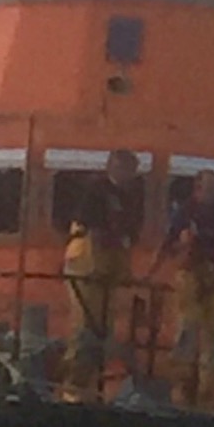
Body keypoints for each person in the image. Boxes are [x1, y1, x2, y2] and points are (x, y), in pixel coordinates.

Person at [160, 169, 214, 408]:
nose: (211, 193)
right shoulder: (184, 213)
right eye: (207, 188)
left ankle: (210, 396)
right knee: (186, 330)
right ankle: (180, 391)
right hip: (190, 275)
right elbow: (169, 246)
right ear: (197, 188)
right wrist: (184, 244)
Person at [62, 148, 136, 398]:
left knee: (102, 332)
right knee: (85, 330)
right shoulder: (96, 191)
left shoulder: (125, 197)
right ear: (115, 167)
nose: (130, 175)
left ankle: (94, 392)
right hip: (87, 265)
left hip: (106, 270)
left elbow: (124, 236)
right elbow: (95, 229)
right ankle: (72, 394)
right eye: (128, 168)